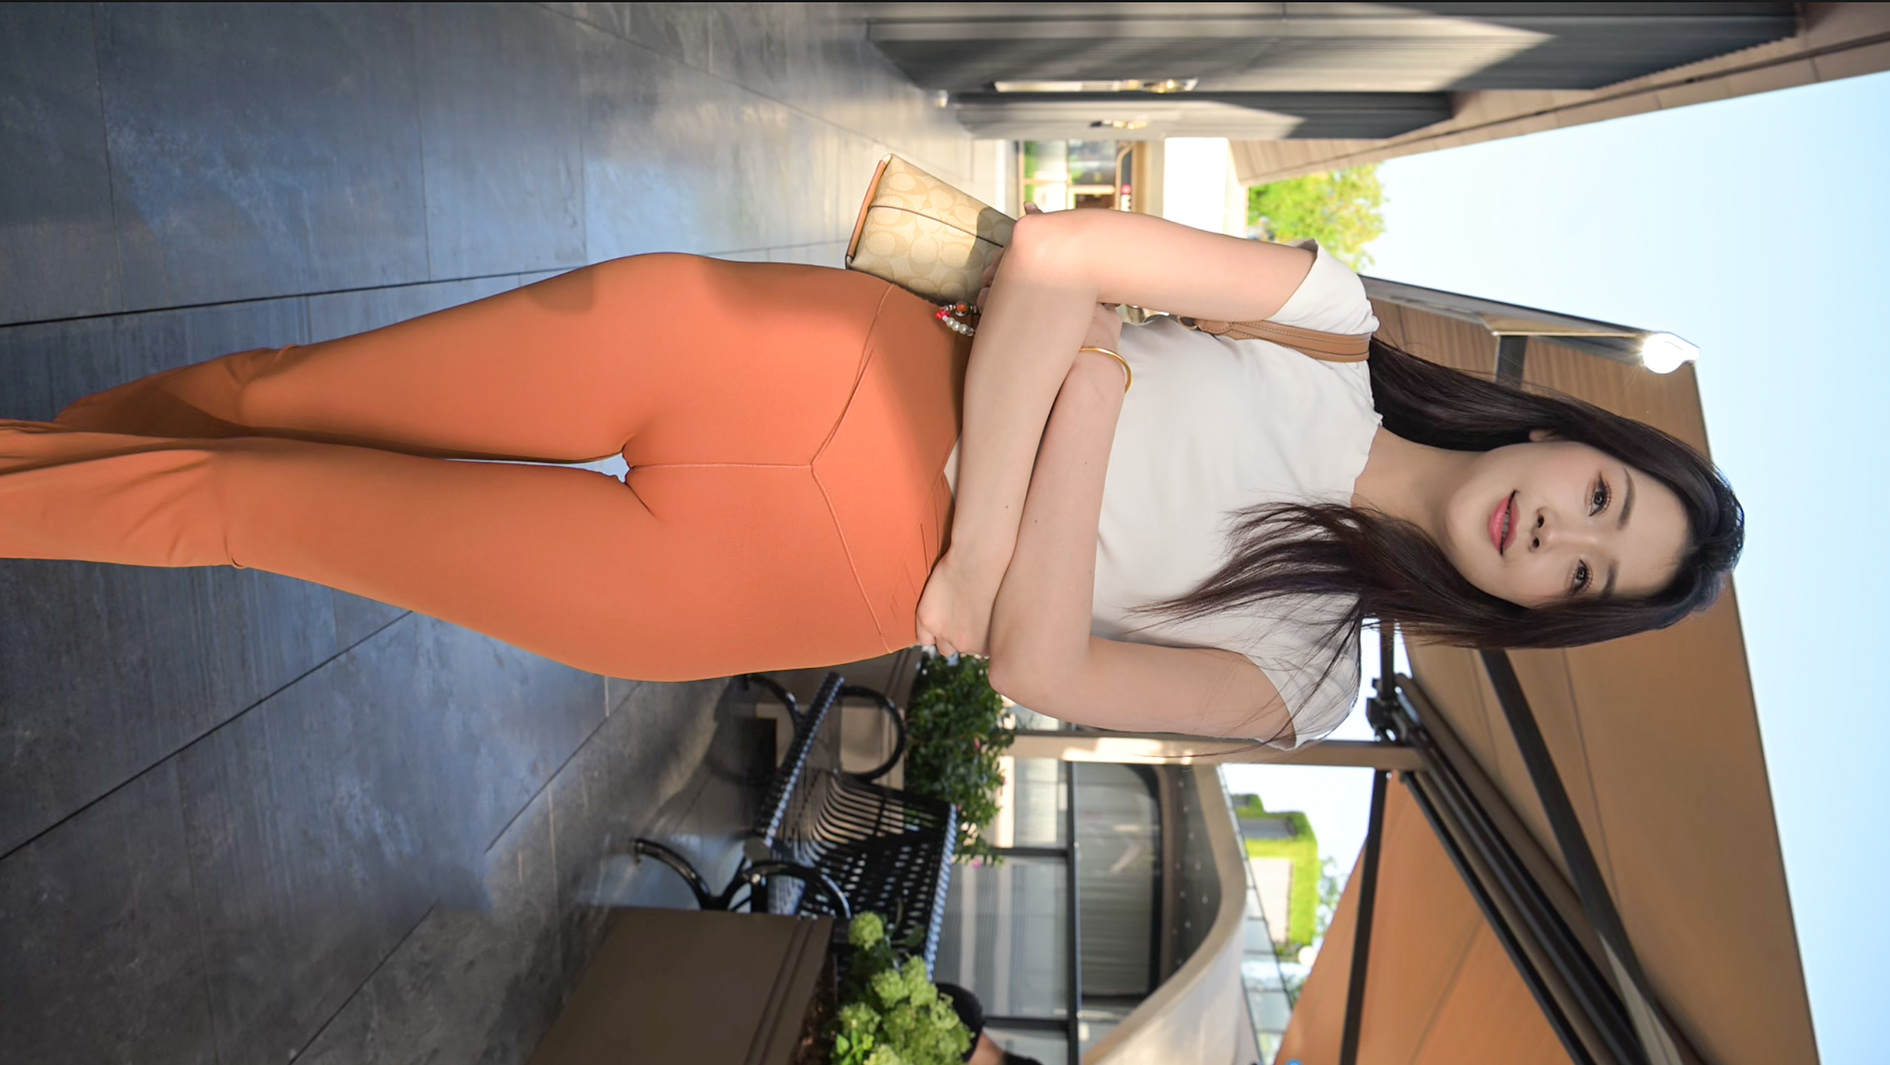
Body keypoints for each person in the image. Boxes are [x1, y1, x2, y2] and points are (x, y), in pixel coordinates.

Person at [0, 206, 1741, 747]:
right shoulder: (1327, 317)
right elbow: (1053, 249)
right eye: (1600, 498)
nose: (1557, 532)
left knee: (251, 504)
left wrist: (1077, 410)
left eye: (1582, 573)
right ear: (1565, 437)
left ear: (1538, 615)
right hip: (791, 358)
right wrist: (999, 542)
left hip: (756, 580)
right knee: (276, 399)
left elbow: (1044, 666)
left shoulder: (1295, 683)